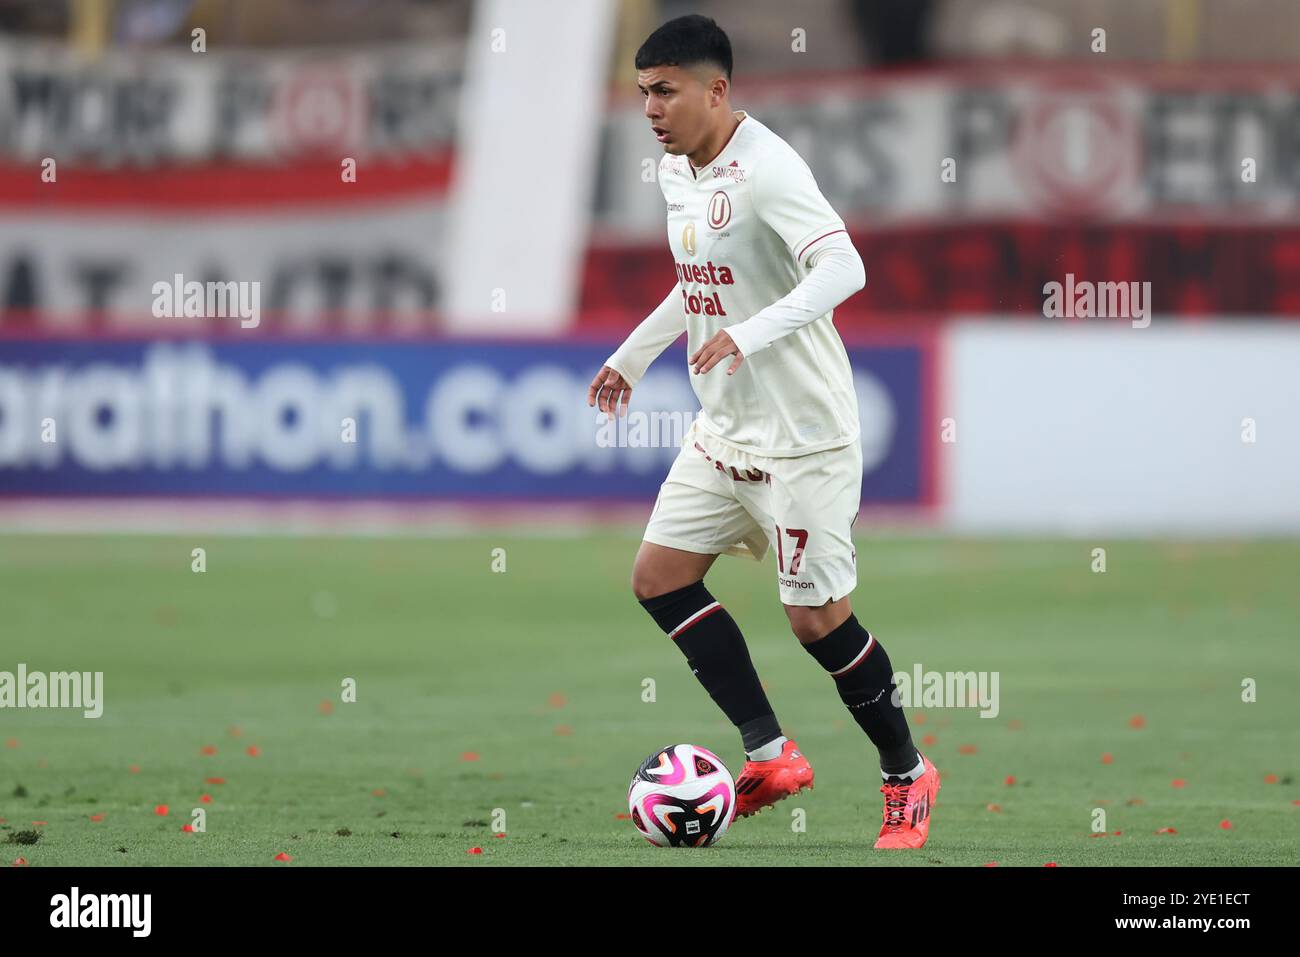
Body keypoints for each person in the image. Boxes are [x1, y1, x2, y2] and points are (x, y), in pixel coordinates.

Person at [587, 14, 939, 849]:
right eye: (643, 92)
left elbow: (843, 265)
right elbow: (700, 280)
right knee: (659, 578)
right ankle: (771, 755)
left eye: (665, 90)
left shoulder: (770, 170)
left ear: (717, 90)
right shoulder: (678, 170)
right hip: (725, 430)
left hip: (803, 436)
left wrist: (747, 336)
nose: (651, 108)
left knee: (816, 621)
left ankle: (906, 772)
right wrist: (634, 357)